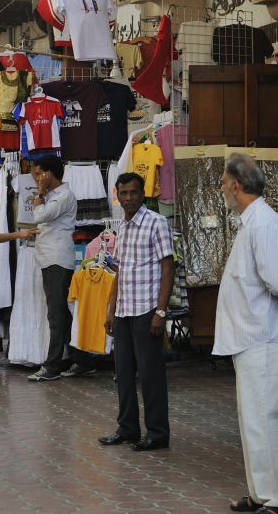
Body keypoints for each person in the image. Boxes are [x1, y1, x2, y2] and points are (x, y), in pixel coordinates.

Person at [215, 153, 278, 514]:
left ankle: (277, 499)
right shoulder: (252, 221)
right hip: (251, 337)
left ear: (237, 185)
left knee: (265, 419)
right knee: (253, 421)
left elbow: (276, 282)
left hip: (263, 337)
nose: (220, 189)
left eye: (222, 183)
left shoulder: (262, 223)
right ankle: (261, 492)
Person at [99, 173, 174, 452]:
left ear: (143, 194)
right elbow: (119, 271)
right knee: (123, 372)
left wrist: (161, 312)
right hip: (124, 311)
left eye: (133, 193)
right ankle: (128, 428)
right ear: (117, 195)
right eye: (123, 193)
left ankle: (157, 433)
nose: (128, 198)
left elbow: (168, 268)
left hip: (147, 310)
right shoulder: (124, 226)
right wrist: (110, 310)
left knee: (151, 374)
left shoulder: (156, 223)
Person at [27, 156, 97, 381]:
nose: (35, 178)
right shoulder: (53, 196)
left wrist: (39, 193)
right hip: (50, 259)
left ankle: (53, 366)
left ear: (49, 174)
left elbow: (39, 215)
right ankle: (82, 360)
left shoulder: (63, 195)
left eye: (38, 173)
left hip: (57, 259)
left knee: (56, 315)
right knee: (61, 315)